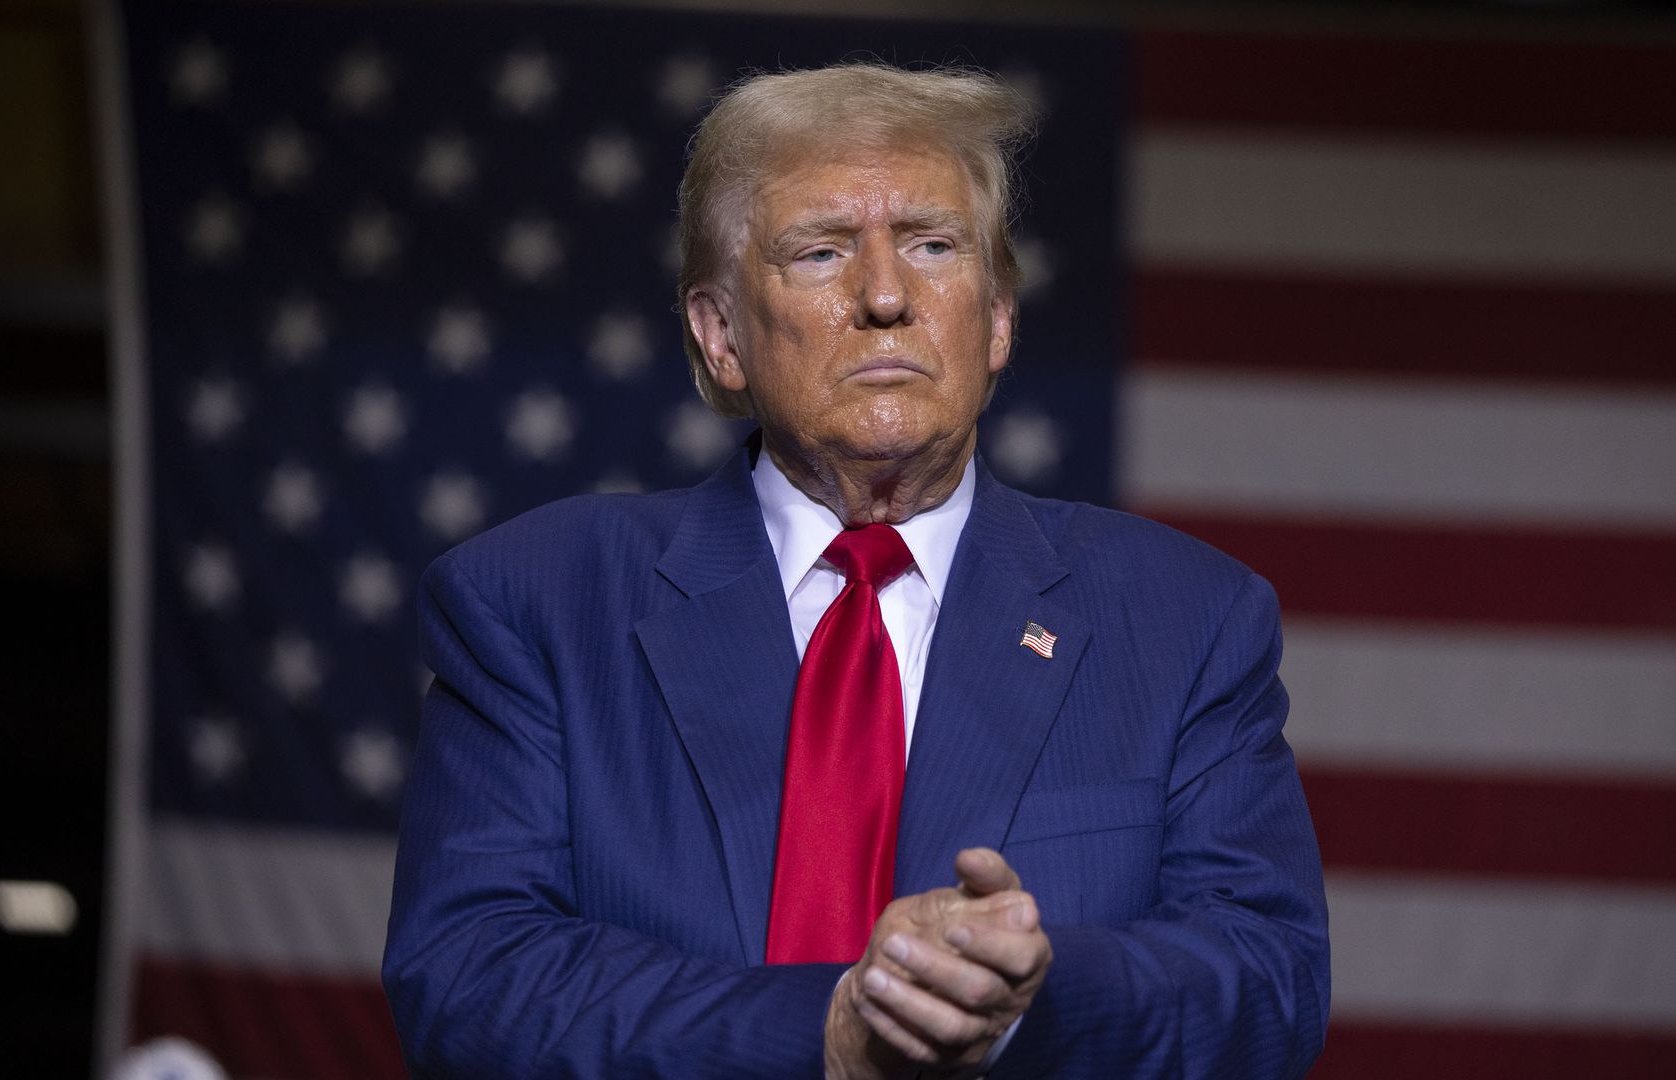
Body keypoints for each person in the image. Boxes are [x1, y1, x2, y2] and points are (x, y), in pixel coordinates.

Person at [382, 63, 1328, 1078]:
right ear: (722, 335)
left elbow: (1268, 978)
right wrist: (829, 1032)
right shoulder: (540, 603)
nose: (886, 296)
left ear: (997, 318)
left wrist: (1018, 1007)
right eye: (822, 252)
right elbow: (467, 976)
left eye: (931, 245)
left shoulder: (1185, 619)